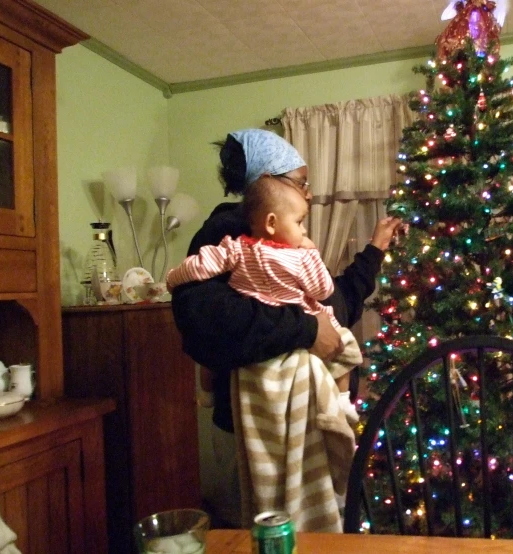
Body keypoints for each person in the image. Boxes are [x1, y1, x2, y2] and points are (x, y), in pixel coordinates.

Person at [170, 128, 402, 530]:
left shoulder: (288, 245)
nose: (309, 194)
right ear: (266, 184)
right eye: (301, 182)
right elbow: (203, 318)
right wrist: (307, 329)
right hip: (256, 428)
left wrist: (375, 249)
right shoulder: (230, 233)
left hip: (301, 426)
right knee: (259, 533)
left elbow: (336, 303)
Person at [166, 174, 366, 421]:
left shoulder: (236, 247)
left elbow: (200, 265)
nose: (303, 231)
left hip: (271, 319)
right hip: (291, 319)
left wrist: (173, 278)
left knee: (206, 365)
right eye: (299, 222)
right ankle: (342, 400)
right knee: (345, 346)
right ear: (272, 222)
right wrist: (312, 254)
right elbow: (323, 290)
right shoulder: (298, 257)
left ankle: (206, 393)